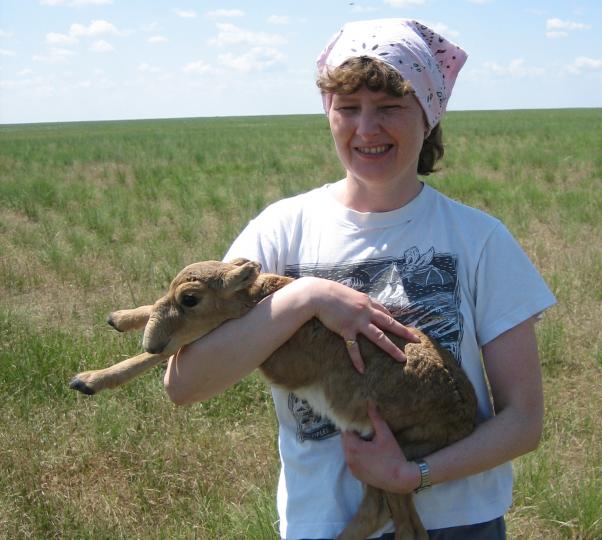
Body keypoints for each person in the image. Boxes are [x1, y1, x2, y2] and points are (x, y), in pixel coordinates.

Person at [164, 18, 556, 540]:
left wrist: (411, 475)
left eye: (389, 107)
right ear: (328, 113)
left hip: (458, 523)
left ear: (429, 114)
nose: (366, 129)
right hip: (322, 523)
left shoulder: (479, 239)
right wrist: (306, 296)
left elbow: (523, 420)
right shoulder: (281, 231)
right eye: (348, 108)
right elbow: (185, 384)